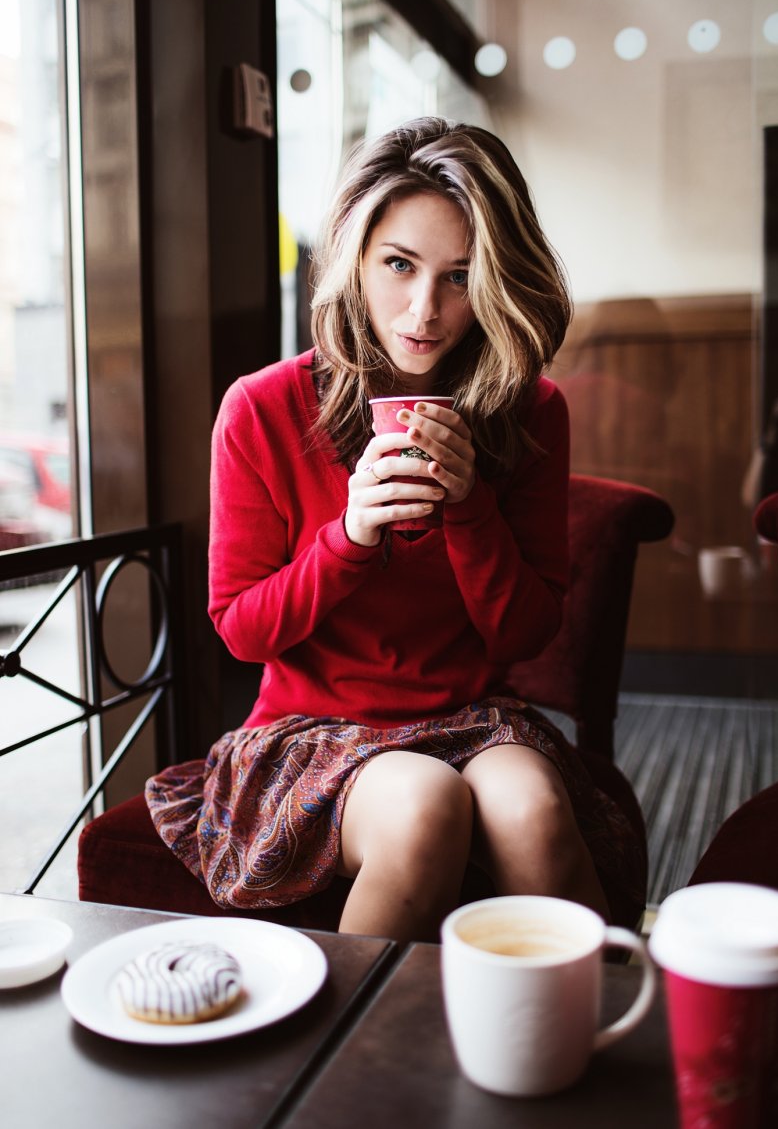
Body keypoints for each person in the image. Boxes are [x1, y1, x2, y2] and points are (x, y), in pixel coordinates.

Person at [146, 117, 645, 944]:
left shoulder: (530, 412)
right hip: (310, 726)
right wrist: (348, 535)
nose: (425, 311)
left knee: (532, 810)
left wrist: (469, 505)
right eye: (400, 266)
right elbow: (240, 629)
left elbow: (526, 630)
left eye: (460, 276)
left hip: (472, 713)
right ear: (354, 257)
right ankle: (345, 1070)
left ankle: (571, 1048)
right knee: (422, 806)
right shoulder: (262, 408)